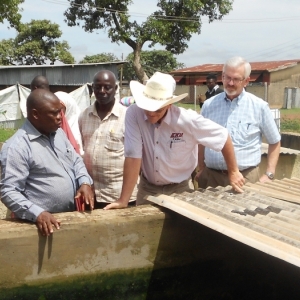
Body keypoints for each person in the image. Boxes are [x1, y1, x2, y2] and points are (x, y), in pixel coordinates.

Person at [104, 72, 245, 210]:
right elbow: (133, 156)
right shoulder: (134, 114)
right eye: (147, 107)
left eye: (157, 109)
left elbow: (223, 136)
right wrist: (124, 200)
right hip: (147, 188)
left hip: (180, 189)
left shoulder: (187, 119)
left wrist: (233, 171)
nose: (151, 113)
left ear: (169, 105)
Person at [0, 89, 94, 236]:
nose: (60, 118)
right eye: (54, 113)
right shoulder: (17, 147)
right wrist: (37, 213)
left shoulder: (58, 134)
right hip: (40, 227)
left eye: (61, 112)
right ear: (35, 114)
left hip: (68, 217)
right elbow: (9, 191)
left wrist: (84, 182)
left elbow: (76, 160)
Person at [197, 56, 281, 189]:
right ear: (222, 77)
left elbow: (274, 141)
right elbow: (201, 140)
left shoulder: (259, 107)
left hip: (245, 178)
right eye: (227, 77)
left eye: (236, 79)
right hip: (211, 178)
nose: (230, 83)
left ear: (246, 81)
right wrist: (201, 168)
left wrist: (269, 174)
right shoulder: (208, 105)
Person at [79, 70, 137, 206]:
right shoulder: (84, 116)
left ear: (115, 88)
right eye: (98, 87)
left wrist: (124, 198)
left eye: (107, 87)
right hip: (92, 195)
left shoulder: (128, 117)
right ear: (93, 88)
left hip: (120, 196)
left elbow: (136, 159)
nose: (102, 91)